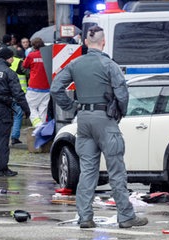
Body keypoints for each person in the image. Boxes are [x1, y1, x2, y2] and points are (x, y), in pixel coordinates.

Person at [50, 26, 148, 229]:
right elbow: (122, 92)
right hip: (105, 119)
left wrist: (72, 107)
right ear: (103, 42)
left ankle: (85, 217)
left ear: (86, 42)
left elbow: (55, 88)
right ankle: (126, 217)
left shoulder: (75, 64)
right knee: (116, 170)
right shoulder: (109, 64)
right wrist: (120, 113)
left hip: (83, 120)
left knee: (87, 171)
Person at [0, 47, 30, 177]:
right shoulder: (9, 72)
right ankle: (1, 169)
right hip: (2, 109)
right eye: (11, 57)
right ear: (7, 58)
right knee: (2, 139)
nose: (13, 59)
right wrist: (26, 109)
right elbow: (18, 94)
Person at [22, 37, 50, 130]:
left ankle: (38, 126)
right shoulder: (49, 55)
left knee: (30, 107)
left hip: (34, 86)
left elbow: (24, 65)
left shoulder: (31, 55)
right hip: (47, 87)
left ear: (33, 46)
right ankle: (41, 130)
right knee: (43, 110)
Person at [9, 54, 28, 145]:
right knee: (18, 115)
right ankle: (14, 137)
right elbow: (28, 74)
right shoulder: (19, 62)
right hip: (18, 92)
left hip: (5, 93)